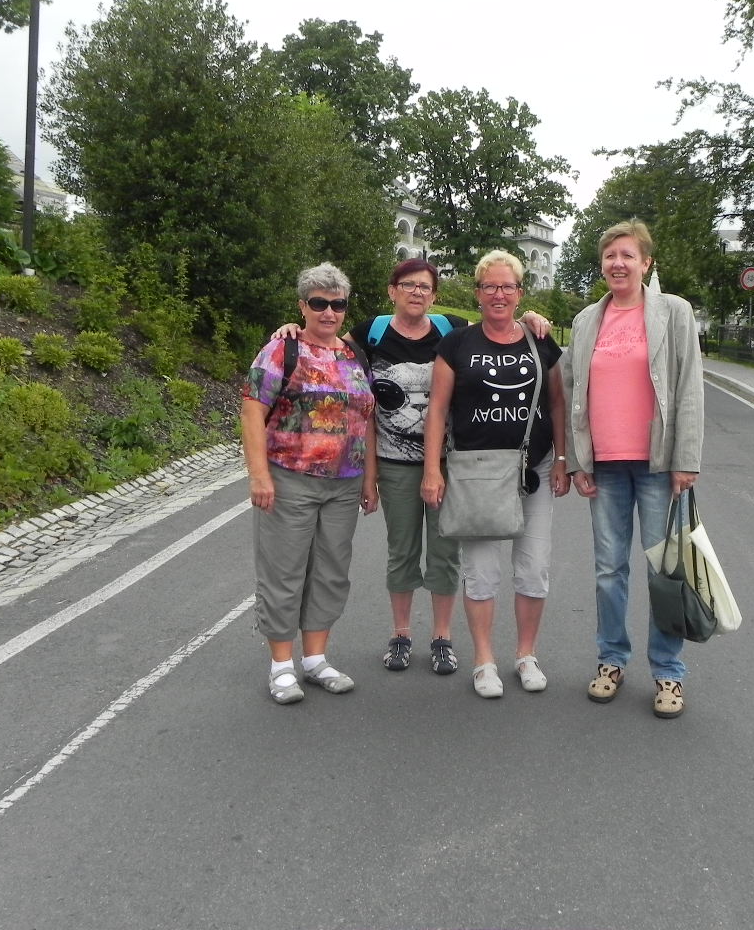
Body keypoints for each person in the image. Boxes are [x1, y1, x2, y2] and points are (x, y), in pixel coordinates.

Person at [271, 262, 551, 676]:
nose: (416, 292)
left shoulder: (451, 328)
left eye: (425, 286)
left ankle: (442, 637)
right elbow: (325, 344)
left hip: (449, 462)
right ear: (392, 291)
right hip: (393, 463)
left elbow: (498, 322)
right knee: (401, 551)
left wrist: (530, 318)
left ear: (435, 295)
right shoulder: (372, 332)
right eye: (408, 285)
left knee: (444, 552)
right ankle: (400, 634)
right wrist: (292, 329)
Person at [562, 219, 704, 720]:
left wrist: (686, 459)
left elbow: (688, 386)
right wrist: (577, 460)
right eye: (610, 256)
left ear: (646, 262)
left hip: (657, 464)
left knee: (664, 570)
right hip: (605, 464)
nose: (617, 263)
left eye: (627, 255)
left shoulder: (673, 312)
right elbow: (572, 389)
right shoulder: (587, 320)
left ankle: (668, 671)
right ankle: (611, 660)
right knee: (608, 570)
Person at [421, 250, 569, 699]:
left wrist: (563, 459)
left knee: (534, 568)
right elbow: (437, 409)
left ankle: (526, 655)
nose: (498, 294)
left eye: (507, 286)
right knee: (481, 571)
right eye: (490, 286)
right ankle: (484, 660)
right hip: (476, 472)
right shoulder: (457, 344)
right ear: (478, 293)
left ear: (520, 293)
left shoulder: (540, 340)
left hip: (532, 469)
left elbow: (557, 403)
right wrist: (432, 471)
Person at [240, 263, 378, 705]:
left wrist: (369, 478)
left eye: (338, 304)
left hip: (344, 484)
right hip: (290, 478)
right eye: (319, 303)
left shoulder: (354, 355)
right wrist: (259, 475)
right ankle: (281, 666)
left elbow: (367, 419)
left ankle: (316, 659)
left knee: (331, 571)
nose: (329, 312)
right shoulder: (282, 350)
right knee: (284, 571)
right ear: (303, 306)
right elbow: (252, 411)